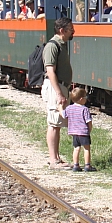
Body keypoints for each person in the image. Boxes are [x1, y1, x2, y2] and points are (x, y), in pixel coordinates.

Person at [42, 17, 74, 169]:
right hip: (55, 87)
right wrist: (59, 93)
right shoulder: (52, 46)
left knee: (57, 124)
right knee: (54, 123)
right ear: (62, 30)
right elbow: (50, 71)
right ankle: (53, 160)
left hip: (61, 87)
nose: (73, 31)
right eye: (70, 29)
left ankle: (56, 158)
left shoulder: (61, 44)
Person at [64, 87, 95, 172]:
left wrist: (60, 106)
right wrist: (89, 130)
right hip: (83, 132)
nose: (86, 99)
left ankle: (76, 165)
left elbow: (63, 115)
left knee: (76, 148)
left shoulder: (69, 108)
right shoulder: (84, 109)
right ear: (81, 99)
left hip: (74, 132)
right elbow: (89, 122)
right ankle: (87, 166)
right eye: (85, 97)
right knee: (86, 149)